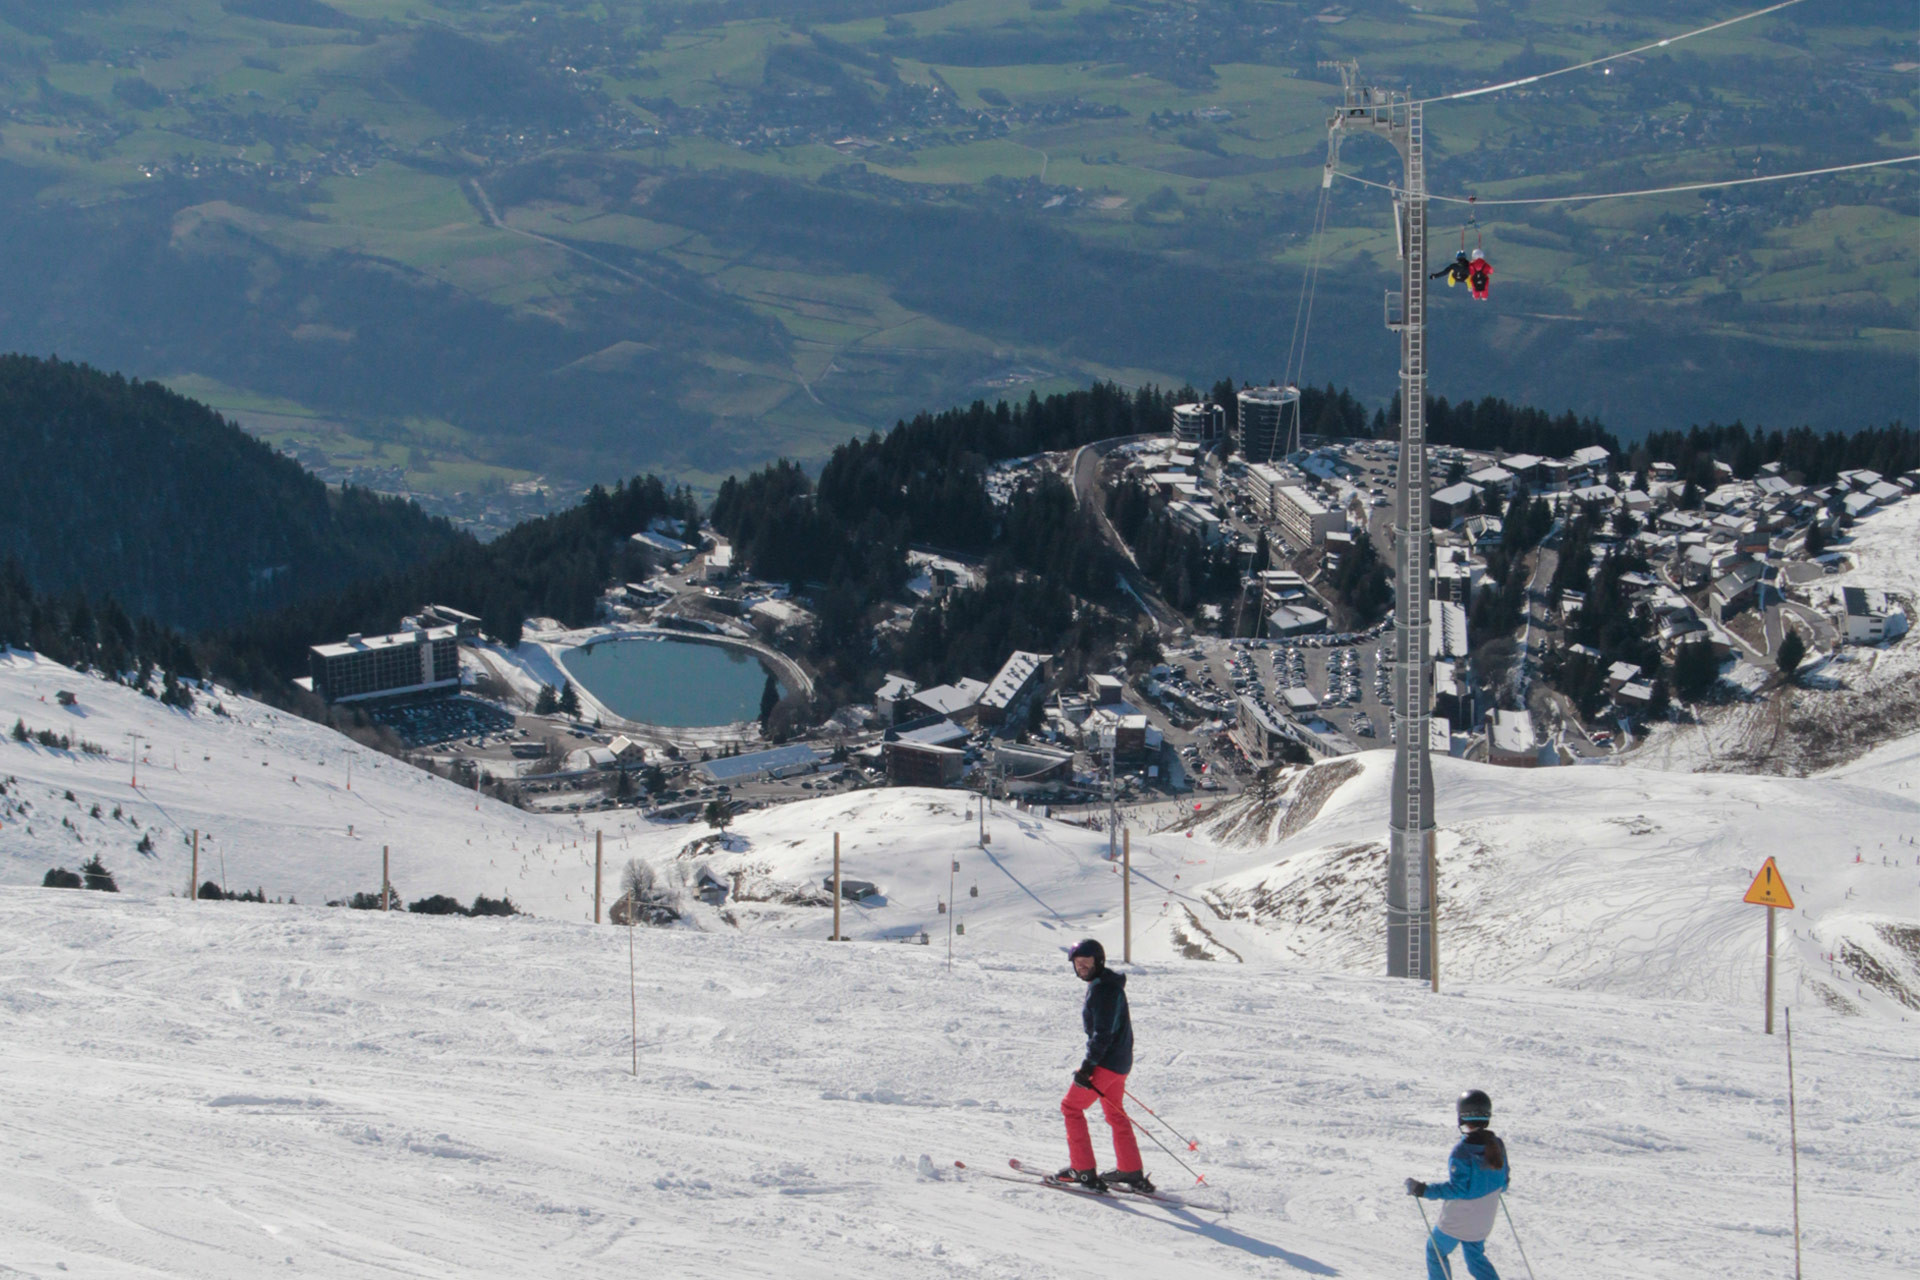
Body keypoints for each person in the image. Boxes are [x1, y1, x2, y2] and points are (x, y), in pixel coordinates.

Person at [1056, 938, 1147, 1193]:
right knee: (1115, 1112)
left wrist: (1087, 1068)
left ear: (1099, 961)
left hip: (1106, 1064)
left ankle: (1082, 1170)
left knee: (1071, 1107)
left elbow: (1102, 1034)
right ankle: (1130, 1170)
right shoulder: (1108, 984)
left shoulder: (1103, 990)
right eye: (1077, 963)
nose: (1082, 967)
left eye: (1086, 962)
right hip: (1119, 1063)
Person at [1406, 1089, 1509, 1280]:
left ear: (1462, 1117)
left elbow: (1458, 1189)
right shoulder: (1498, 1145)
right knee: (1475, 1258)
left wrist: (1423, 1190)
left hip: (1458, 1219)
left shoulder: (1463, 1151)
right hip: (1484, 1219)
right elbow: (1504, 1184)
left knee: (1435, 1251)